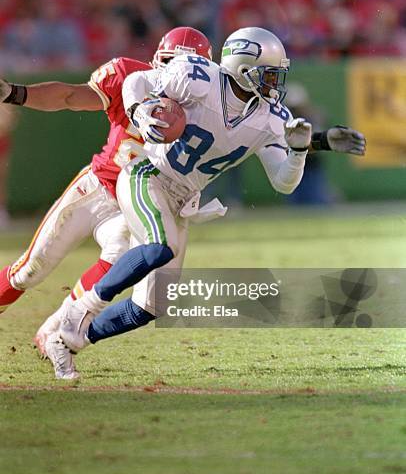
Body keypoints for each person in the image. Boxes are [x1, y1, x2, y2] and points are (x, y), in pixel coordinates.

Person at [44, 26, 366, 379]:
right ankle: (80, 310)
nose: (276, 83)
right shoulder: (198, 76)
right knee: (159, 247)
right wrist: (140, 112)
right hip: (147, 175)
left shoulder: (271, 116)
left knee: (151, 306)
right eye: (269, 74)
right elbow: (136, 83)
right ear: (244, 68)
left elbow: (284, 182)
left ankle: (69, 341)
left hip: (182, 198)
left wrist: (301, 151)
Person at [0, 27, 213, 358]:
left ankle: (54, 329)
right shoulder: (132, 76)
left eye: (191, 70)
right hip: (98, 186)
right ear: (159, 60)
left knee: (117, 256)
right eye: (173, 65)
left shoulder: (208, 112)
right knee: (31, 269)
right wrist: (16, 93)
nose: (180, 78)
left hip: (136, 202)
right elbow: (70, 97)